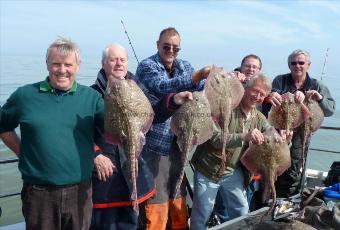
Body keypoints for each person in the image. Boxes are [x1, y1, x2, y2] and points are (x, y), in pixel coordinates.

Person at [0, 37, 103, 230]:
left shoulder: (93, 98)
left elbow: (112, 132)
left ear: (78, 66)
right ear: (47, 65)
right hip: (39, 194)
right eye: (56, 64)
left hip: (80, 191)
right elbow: (3, 126)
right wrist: (22, 153)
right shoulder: (24, 96)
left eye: (68, 64)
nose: (62, 70)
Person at [90, 43, 194, 230]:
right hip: (107, 177)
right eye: (113, 60)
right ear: (103, 63)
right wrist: (95, 154)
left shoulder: (137, 88)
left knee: (135, 220)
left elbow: (153, 112)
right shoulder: (92, 94)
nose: (119, 64)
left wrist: (174, 100)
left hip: (136, 170)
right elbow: (81, 132)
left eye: (122, 60)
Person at [135, 27, 210, 230]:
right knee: (156, 198)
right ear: (157, 45)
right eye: (166, 46)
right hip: (154, 145)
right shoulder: (147, 66)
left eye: (175, 48)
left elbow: (203, 87)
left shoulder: (185, 66)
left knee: (178, 194)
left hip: (179, 141)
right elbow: (162, 86)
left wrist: (222, 79)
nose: (170, 51)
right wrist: (195, 78)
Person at [190, 74, 272, 229]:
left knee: (242, 212)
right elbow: (214, 138)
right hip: (208, 169)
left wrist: (282, 138)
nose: (258, 96)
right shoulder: (225, 107)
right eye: (255, 91)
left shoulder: (259, 118)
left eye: (262, 94)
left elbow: (270, 135)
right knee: (202, 214)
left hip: (232, 171)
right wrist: (245, 136)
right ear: (245, 88)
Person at [268, 49, 335, 198]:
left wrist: (319, 98)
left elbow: (330, 110)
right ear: (289, 65)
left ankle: (290, 198)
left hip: (302, 134)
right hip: (281, 132)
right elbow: (273, 95)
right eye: (293, 63)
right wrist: (273, 95)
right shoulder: (280, 80)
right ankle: (274, 196)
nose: (297, 66)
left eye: (301, 62)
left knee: (295, 169)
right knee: (277, 167)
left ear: (308, 65)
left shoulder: (317, 85)